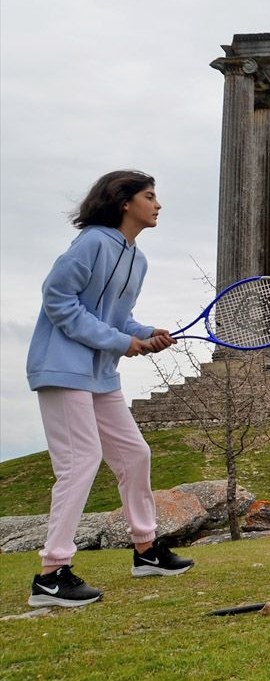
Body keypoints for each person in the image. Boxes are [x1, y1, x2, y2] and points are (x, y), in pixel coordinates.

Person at [26, 170, 194, 608]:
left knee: (135, 454)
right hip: (62, 370)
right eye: (150, 196)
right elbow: (59, 300)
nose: (158, 205)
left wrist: (145, 333)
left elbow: (117, 318)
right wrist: (123, 342)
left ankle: (145, 551)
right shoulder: (92, 242)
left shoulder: (137, 259)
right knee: (80, 461)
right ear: (124, 202)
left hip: (101, 375)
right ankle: (50, 575)